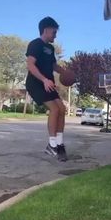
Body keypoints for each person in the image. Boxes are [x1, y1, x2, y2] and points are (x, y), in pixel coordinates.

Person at [25, 16, 67, 161]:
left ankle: (60, 144)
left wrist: (66, 73)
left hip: (48, 83)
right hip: (36, 82)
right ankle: (51, 145)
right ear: (46, 30)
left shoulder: (50, 47)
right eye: (54, 32)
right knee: (54, 109)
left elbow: (54, 66)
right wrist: (44, 80)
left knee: (62, 109)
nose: (55, 35)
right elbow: (30, 65)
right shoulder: (35, 44)